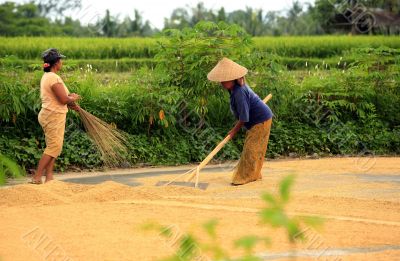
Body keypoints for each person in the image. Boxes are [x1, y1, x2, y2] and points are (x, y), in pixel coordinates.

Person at [207, 57, 273, 185]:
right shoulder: (235, 89)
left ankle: (244, 177)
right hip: (259, 119)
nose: (222, 82)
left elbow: (244, 117)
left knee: (251, 149)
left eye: (225, 79)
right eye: (222, 79)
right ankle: (254, 174)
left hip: (261, 120)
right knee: (254, 148)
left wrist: (233, 131)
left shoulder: (239, 92)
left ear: (233, 79)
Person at [30, 48, 80, 184]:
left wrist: (75, 106)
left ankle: (49, 177)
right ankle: (37, 177)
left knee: (54, 146)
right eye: (60, 60)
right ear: (56, 63)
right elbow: (64, 99)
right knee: (54, 147)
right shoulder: (53, 77)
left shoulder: (48, 77)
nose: (62, 62)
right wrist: (73, 98)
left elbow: (61, 98)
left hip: (53, 114)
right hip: (52, 115)